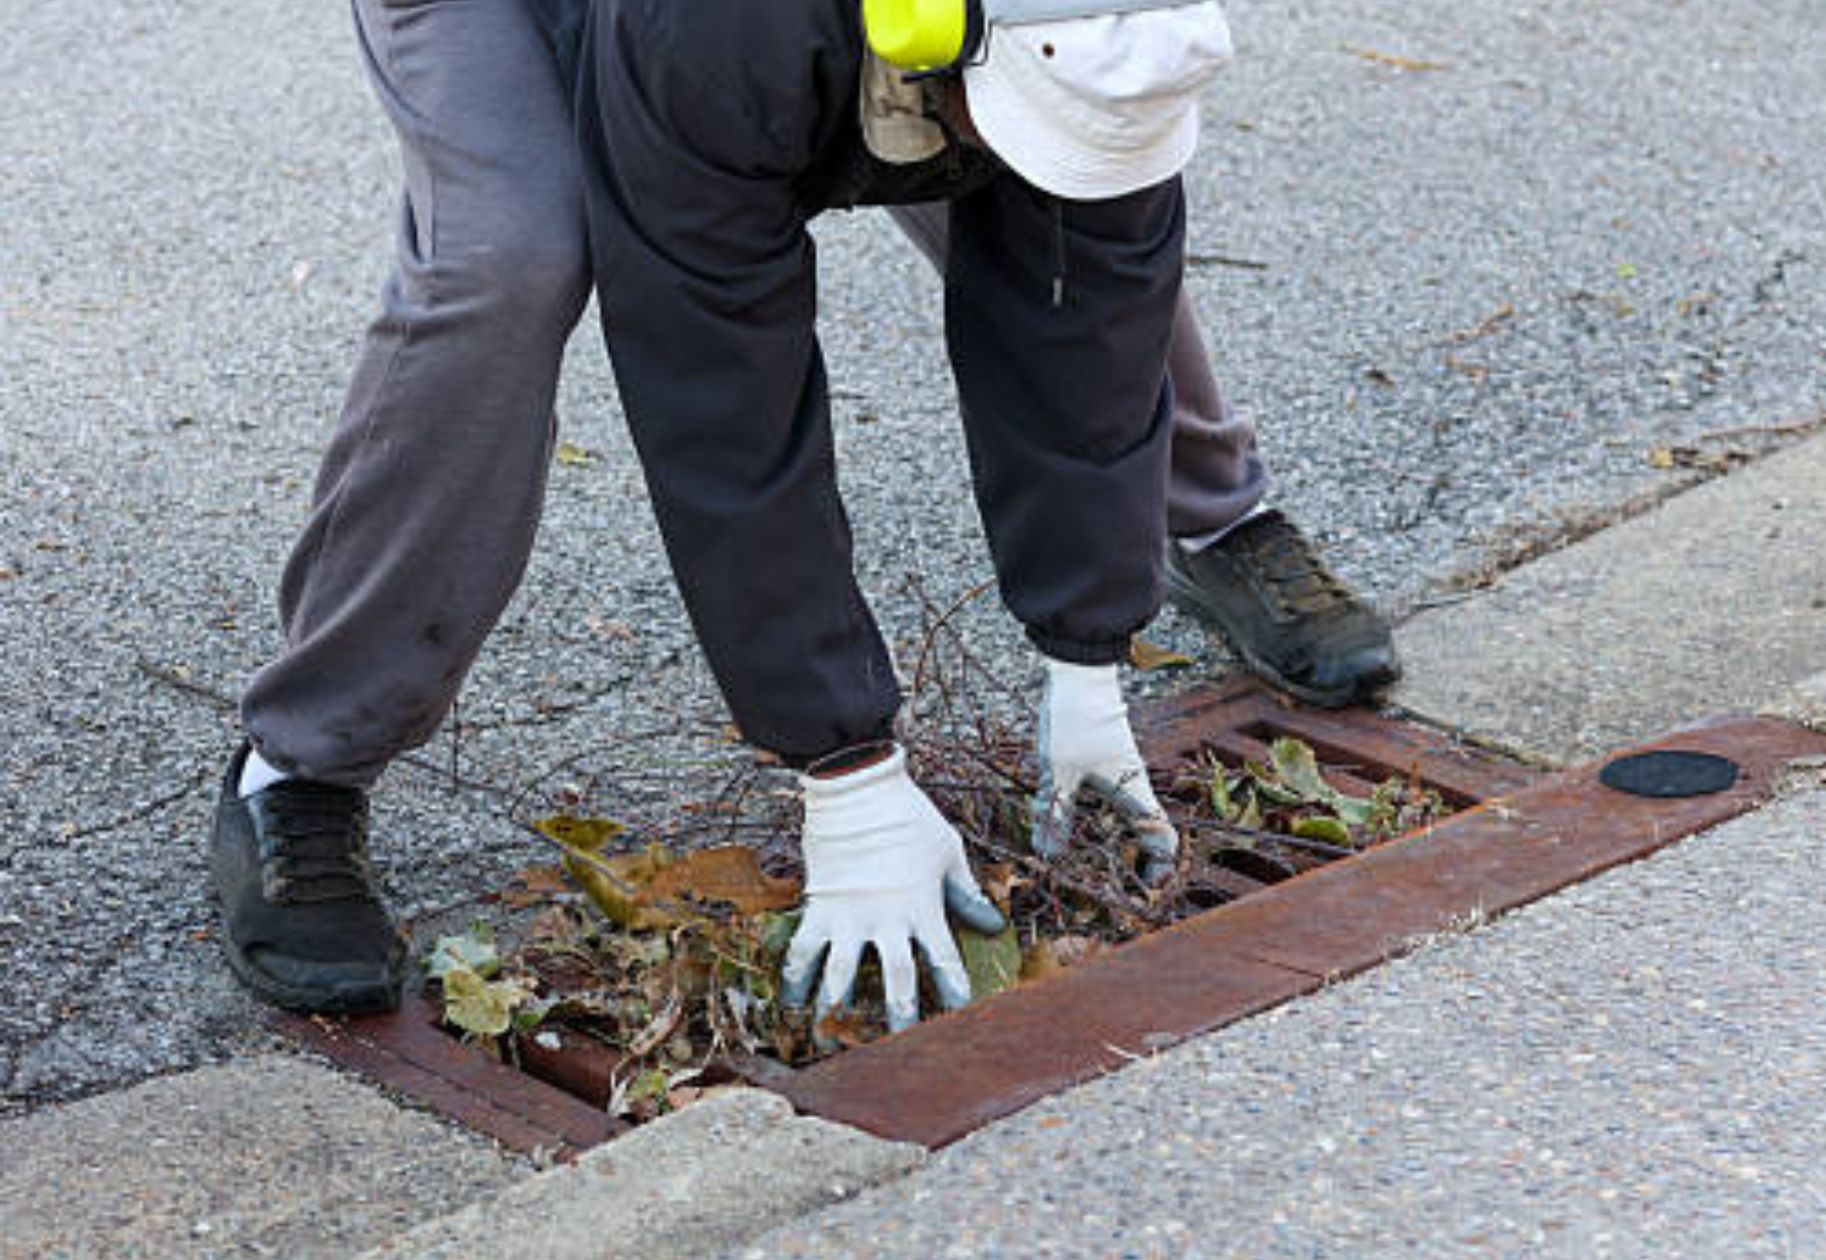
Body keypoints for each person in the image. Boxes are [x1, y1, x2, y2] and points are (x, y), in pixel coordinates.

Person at [207, 0, 1391, 1019]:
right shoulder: (716, 42)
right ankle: (303, 761)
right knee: (514, 253)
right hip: (698, 37)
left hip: (925, 37)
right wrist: (845, 765)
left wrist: (1088, 648)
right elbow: (718, 387)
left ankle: (1206, 519)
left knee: (1074, 173)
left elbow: (1087, 276)